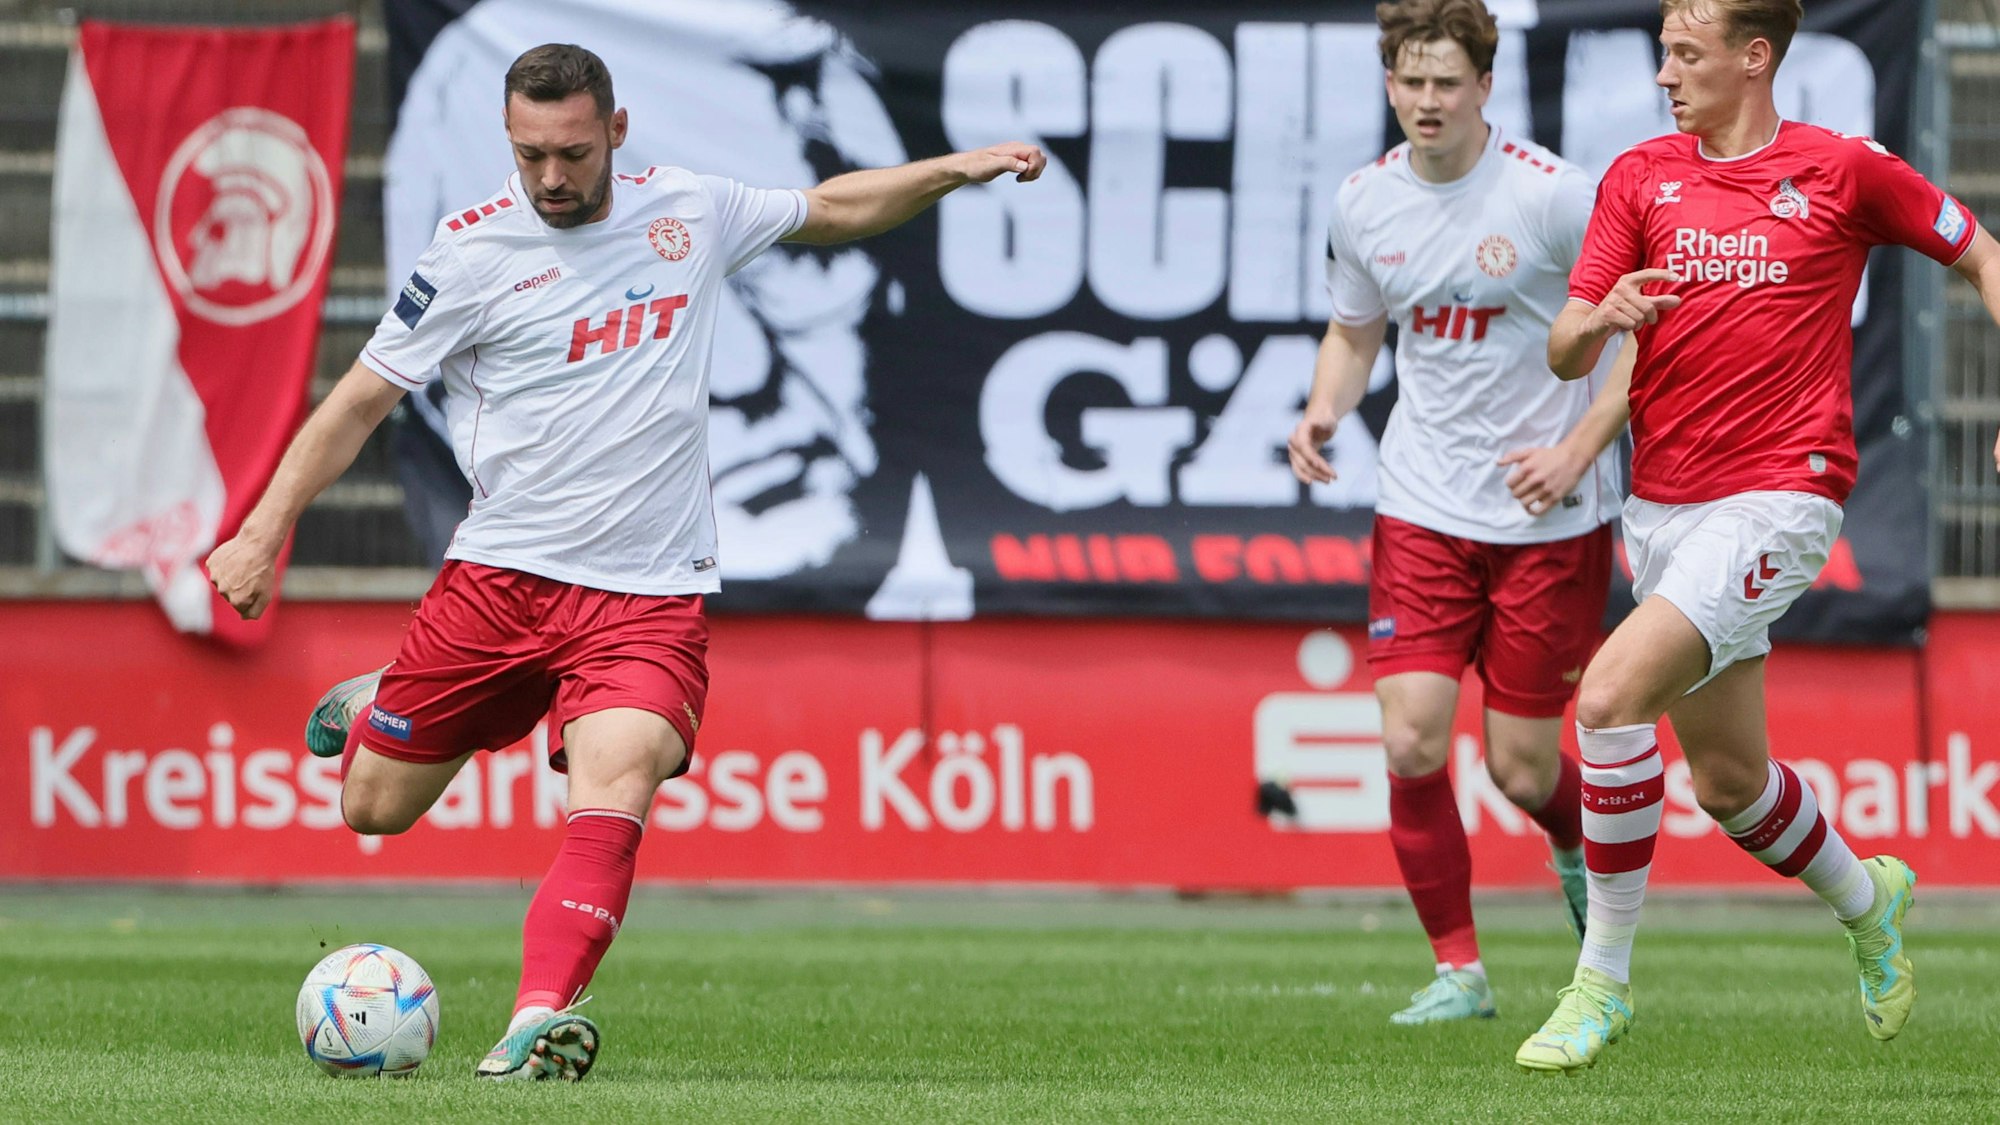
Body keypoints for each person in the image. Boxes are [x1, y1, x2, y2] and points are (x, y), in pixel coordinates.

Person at [203, 42, 1045, 1081]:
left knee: (618, 781)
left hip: (645, 595)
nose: (551, 178)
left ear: (615, 131)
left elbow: (834, 207)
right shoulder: (470, 253)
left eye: (570, 152)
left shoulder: (687, 213)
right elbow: (359, 404)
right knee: (372, 806)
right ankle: (393, 695)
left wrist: (952, 170)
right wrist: (260, 528)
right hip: (499, 584)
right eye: (529, 156)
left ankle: (535, 1019)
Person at [1515, 0, 2000, 1072]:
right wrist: (1594, 322)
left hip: (1782, 496)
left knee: (1603, 699)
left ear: (1754, 57)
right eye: (1660, 55)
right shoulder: (1638, 178)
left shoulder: (1843, 171)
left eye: (1684, 56)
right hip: (1663, 508)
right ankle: (1868, 902)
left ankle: (1599, 983)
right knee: (1730, 785)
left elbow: (1984, 258)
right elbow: (1559, 348)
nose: (1662, 76)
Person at [1287, 0, 1633, 1027]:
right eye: (1409, 81)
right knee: (1409, 742)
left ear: (1486, 85)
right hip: (1422, 507)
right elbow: (1353, 332)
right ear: (1388, 84)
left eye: (1446, 82)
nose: (1426, 101)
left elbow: (1636, 337)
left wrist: (1576, 448)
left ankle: (1576, 850)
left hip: (1550, 520)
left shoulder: (1552, 199)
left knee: (1524, 770)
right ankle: (1457, 971)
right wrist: (1320, 410)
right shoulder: (1362, 203)